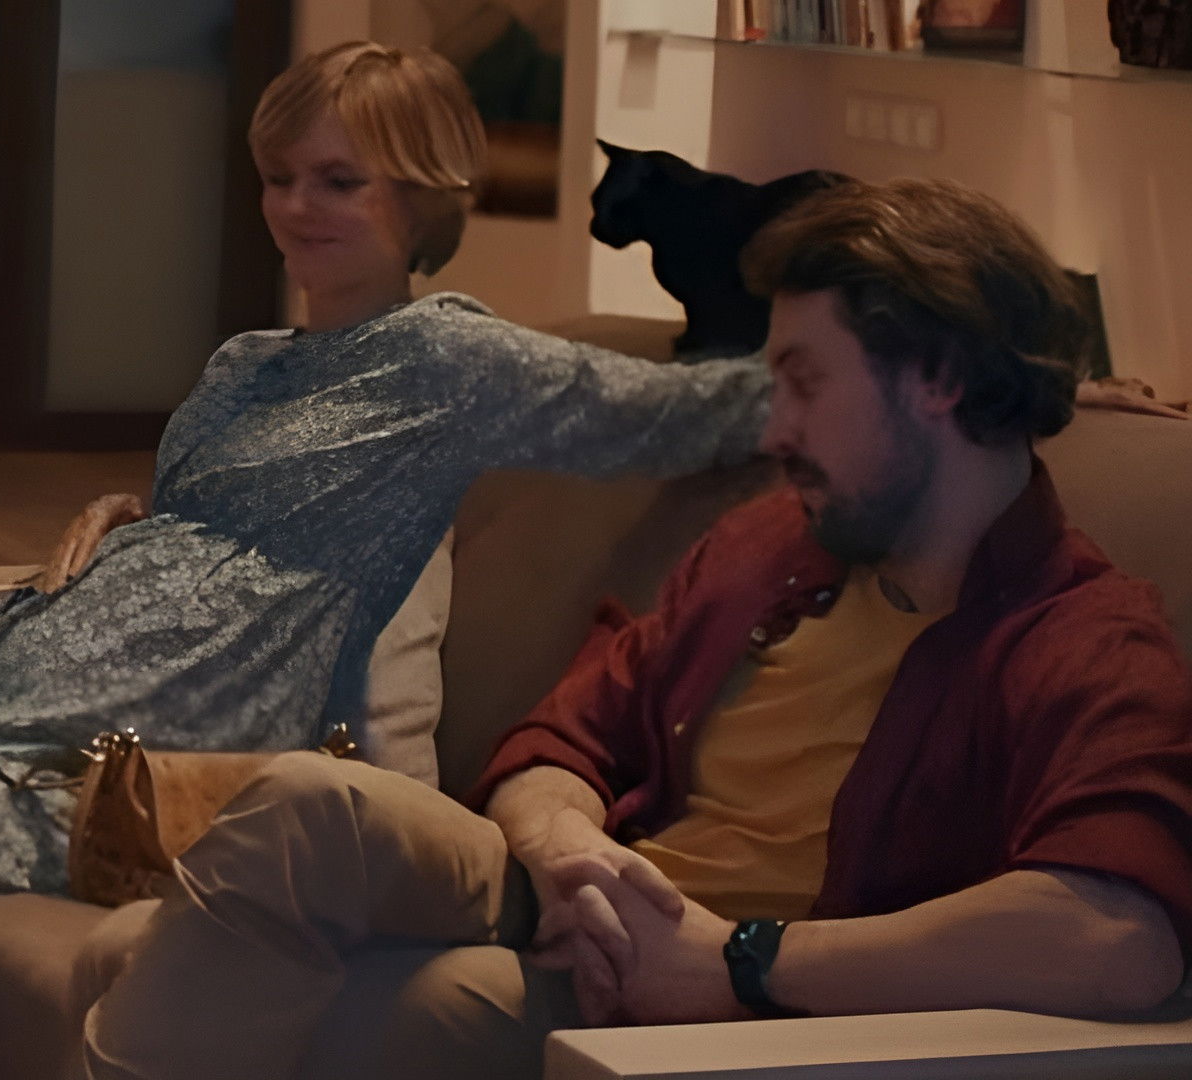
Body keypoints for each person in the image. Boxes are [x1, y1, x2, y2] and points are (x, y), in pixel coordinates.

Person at [0, 43, 775, 1080]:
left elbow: (673, 413)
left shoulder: (453, 362)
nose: (297, 207)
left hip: (124, 758)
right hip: (5, 676)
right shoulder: (248, 360)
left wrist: (834, 367)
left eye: (339, 181)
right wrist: (129, 517)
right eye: (280, 177)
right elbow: (207, 521)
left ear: (424, 194)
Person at [76, 177, 1192, 1079]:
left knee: (165, 964)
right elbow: (561, 739)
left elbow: (1124, 936)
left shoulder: (1082, 642)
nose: (777, 428)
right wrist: (571, 851)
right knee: (308, 809)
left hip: (732, 1016)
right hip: (584, 906)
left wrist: (743, 960)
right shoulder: (770, 549)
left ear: (939, 378)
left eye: (806, 384)